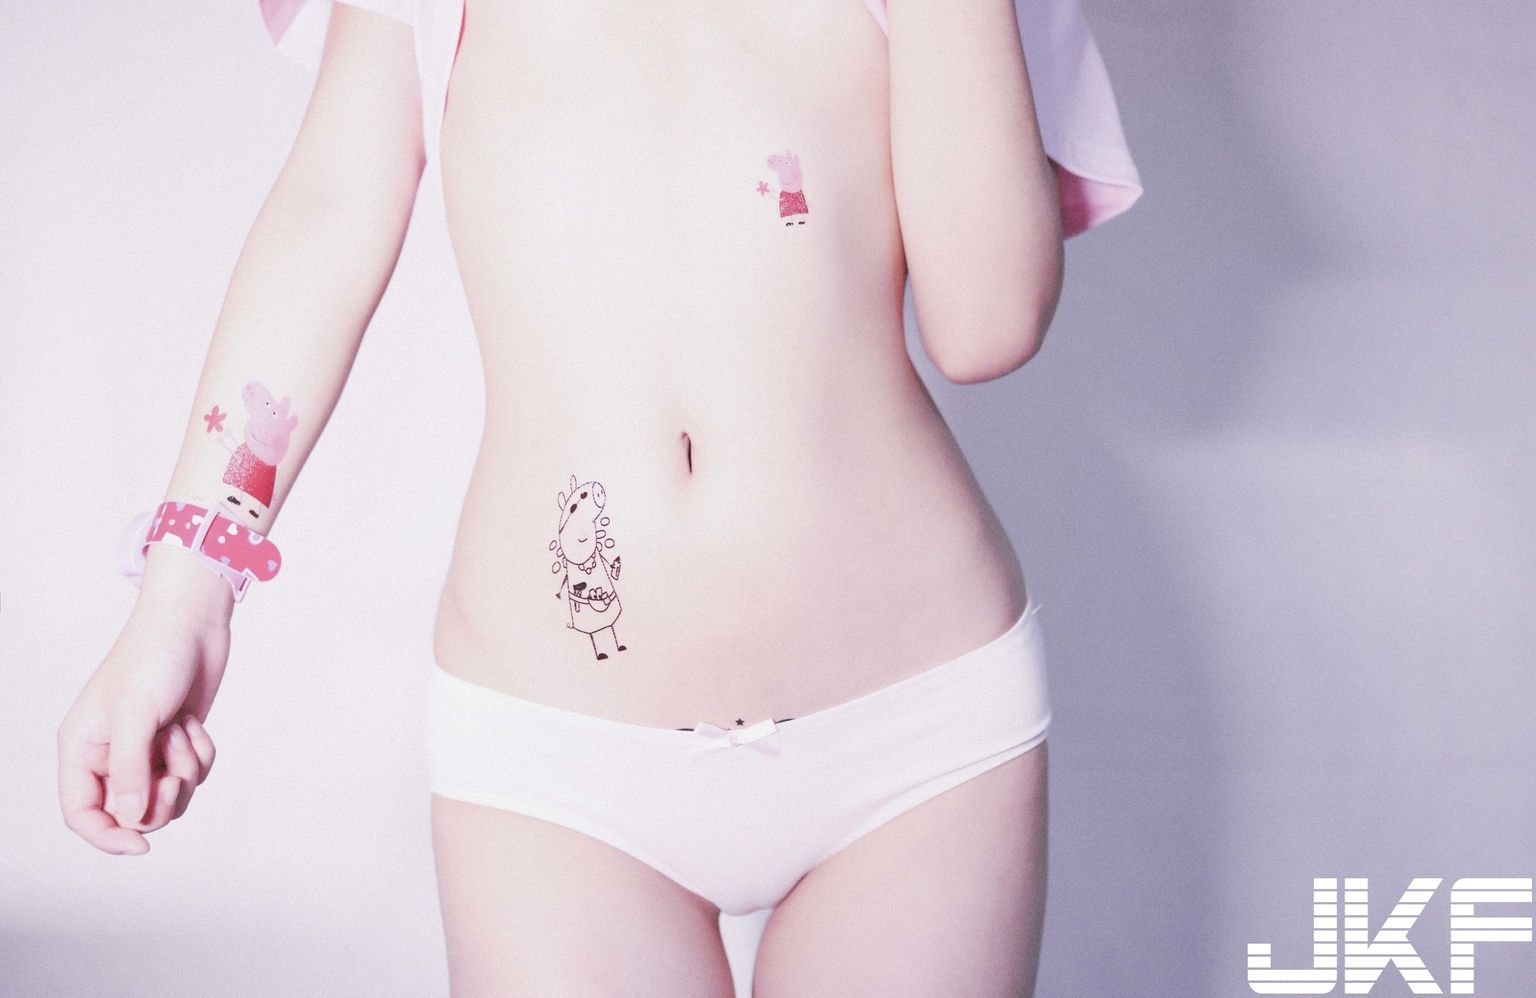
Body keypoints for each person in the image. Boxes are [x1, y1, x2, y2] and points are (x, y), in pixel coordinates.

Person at [57, 0, 1142, 993]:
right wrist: (180, 599)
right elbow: (329, 214)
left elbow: (986, 324)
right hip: (556, 766)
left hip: (910, 735)